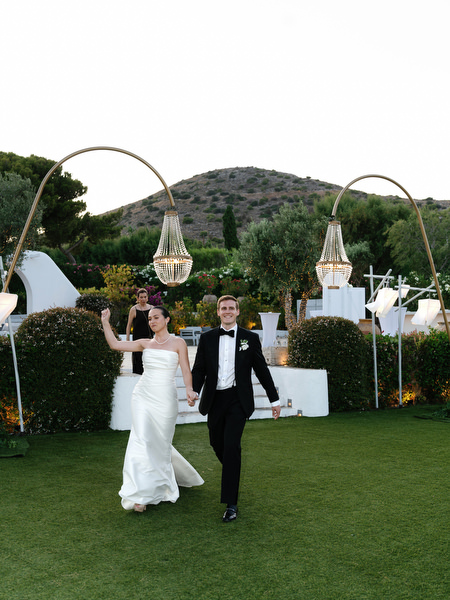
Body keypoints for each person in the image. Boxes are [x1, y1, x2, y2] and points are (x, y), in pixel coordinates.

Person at [102, 305, 203, 512]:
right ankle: (142, 494)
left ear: (167, 320)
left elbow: (185, 369)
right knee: (142, 440)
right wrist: (105, 322)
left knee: (160, 443)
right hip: (142, 396)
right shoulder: (144, 343)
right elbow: (114, 344)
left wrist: (190, 390)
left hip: (165, 398)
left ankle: (163, 482)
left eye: (156, 317)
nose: (152, 321)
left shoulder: (178, 343)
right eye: (149, 319)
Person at [190, 295, 281, 523]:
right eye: (223, 308)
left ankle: (231, 504)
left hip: (238, 400)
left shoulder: (250, 338)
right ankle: (233, 470)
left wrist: (274, 400)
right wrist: (193, 389)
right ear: (218, 312)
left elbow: (261, 370)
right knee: (216, 443)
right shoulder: (207, 338)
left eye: (231, 308)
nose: (227, 311)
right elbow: (199, 369)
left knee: (231, 446)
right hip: (215, 399)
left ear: (238, 311)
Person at [125, 288, 153, 374]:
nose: (143, 299)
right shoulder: (133, 309)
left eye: (145, 297)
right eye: (141, 297)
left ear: (147, 298)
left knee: (150, 359)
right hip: (137, 338)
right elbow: (129, 324)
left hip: (149, 338)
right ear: (137, 298)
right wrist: (127, 339)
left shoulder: (152, 308)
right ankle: (137, 376)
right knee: (137, 359)